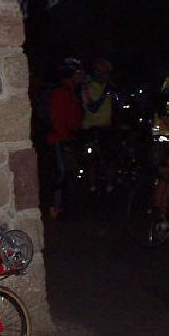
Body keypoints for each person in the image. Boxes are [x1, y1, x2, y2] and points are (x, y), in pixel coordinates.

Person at [46, 58, 84, 219]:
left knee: (69, 172)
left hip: (68, 137)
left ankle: (64, 206)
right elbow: (57, 119)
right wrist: (65, 139)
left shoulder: (71, 91)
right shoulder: (61, 92)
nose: (82, 76)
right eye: (79, 73)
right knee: (61, 172)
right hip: (59, 139)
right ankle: (55, 206)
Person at [81, 58, 116, 193]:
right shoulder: (88, 87)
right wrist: (104, 94)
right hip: (91, 128)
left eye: (108, 73)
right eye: (104, 72)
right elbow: (92, 108)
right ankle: (91, 186)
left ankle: (109, 185)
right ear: (97, 72)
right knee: (92, 159)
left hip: (106, 127)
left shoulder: (108, 86)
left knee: (110, 157)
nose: (107, 75)